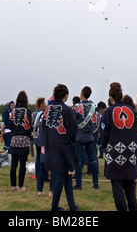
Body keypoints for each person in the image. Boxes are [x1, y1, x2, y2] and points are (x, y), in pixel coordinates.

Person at [101, 82, 137, 212]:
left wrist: (104, 145)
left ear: (111, 98)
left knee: (117, 187)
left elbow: (104, 133)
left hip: (115, 153)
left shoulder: (108, 112)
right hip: (131, 152)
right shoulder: (132, 111)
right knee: (130, 189)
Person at [42, 84, 79, 212]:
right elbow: (73, 129)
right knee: (60, 176)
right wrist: (72, 140)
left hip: (51, 145)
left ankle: (72, 204)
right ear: (65, 95)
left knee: (67, 175)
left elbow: (43, 127)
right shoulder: (67, 110)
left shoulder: (48, 109)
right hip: (63, 147)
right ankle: (54, 206)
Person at [73, 86, 100, 190]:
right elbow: (97, 121)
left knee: (79, 161)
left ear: (82, 94)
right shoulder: (93, 107)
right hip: (90, 135)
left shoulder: (77, 106)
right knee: (93, 159)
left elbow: (72, 120)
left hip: (80, 134)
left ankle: (79, 184)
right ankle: (96, 183)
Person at [9, 91, 32, 192]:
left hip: (14, 138)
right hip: (24, 138)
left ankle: (13, 185)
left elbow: (11, 124)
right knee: (22, 163)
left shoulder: (13, 111)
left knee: (14, 163)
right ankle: (20, 186)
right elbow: (30, 126)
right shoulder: (27, 111)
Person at [32, 97, 47, 181]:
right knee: (42, 157)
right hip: (41, 137)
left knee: (38, 156)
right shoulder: (42, 114)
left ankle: (37, 174)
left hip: (35, 136)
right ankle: (42, 175)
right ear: (41, 104)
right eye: (44, 103)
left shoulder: (34, 113)